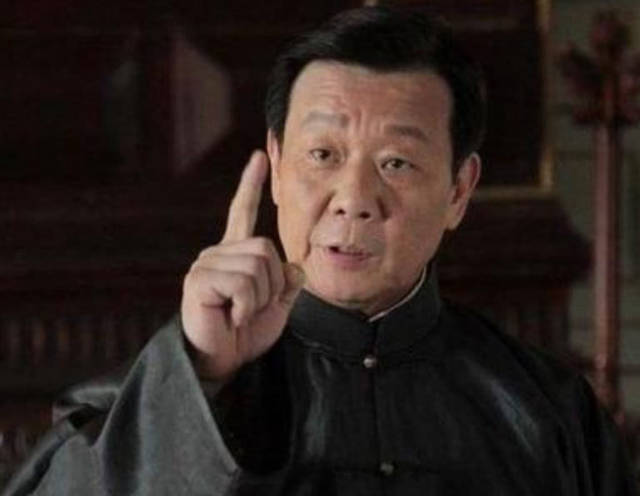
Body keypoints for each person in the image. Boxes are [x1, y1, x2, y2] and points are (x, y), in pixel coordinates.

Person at [4, 6, 637, 496]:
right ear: (278, 166)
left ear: (458, 190)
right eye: (323, 155)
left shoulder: (550, 414)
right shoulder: (154, 396)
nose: (353, 199)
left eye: (396, 162)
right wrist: (203, 371)